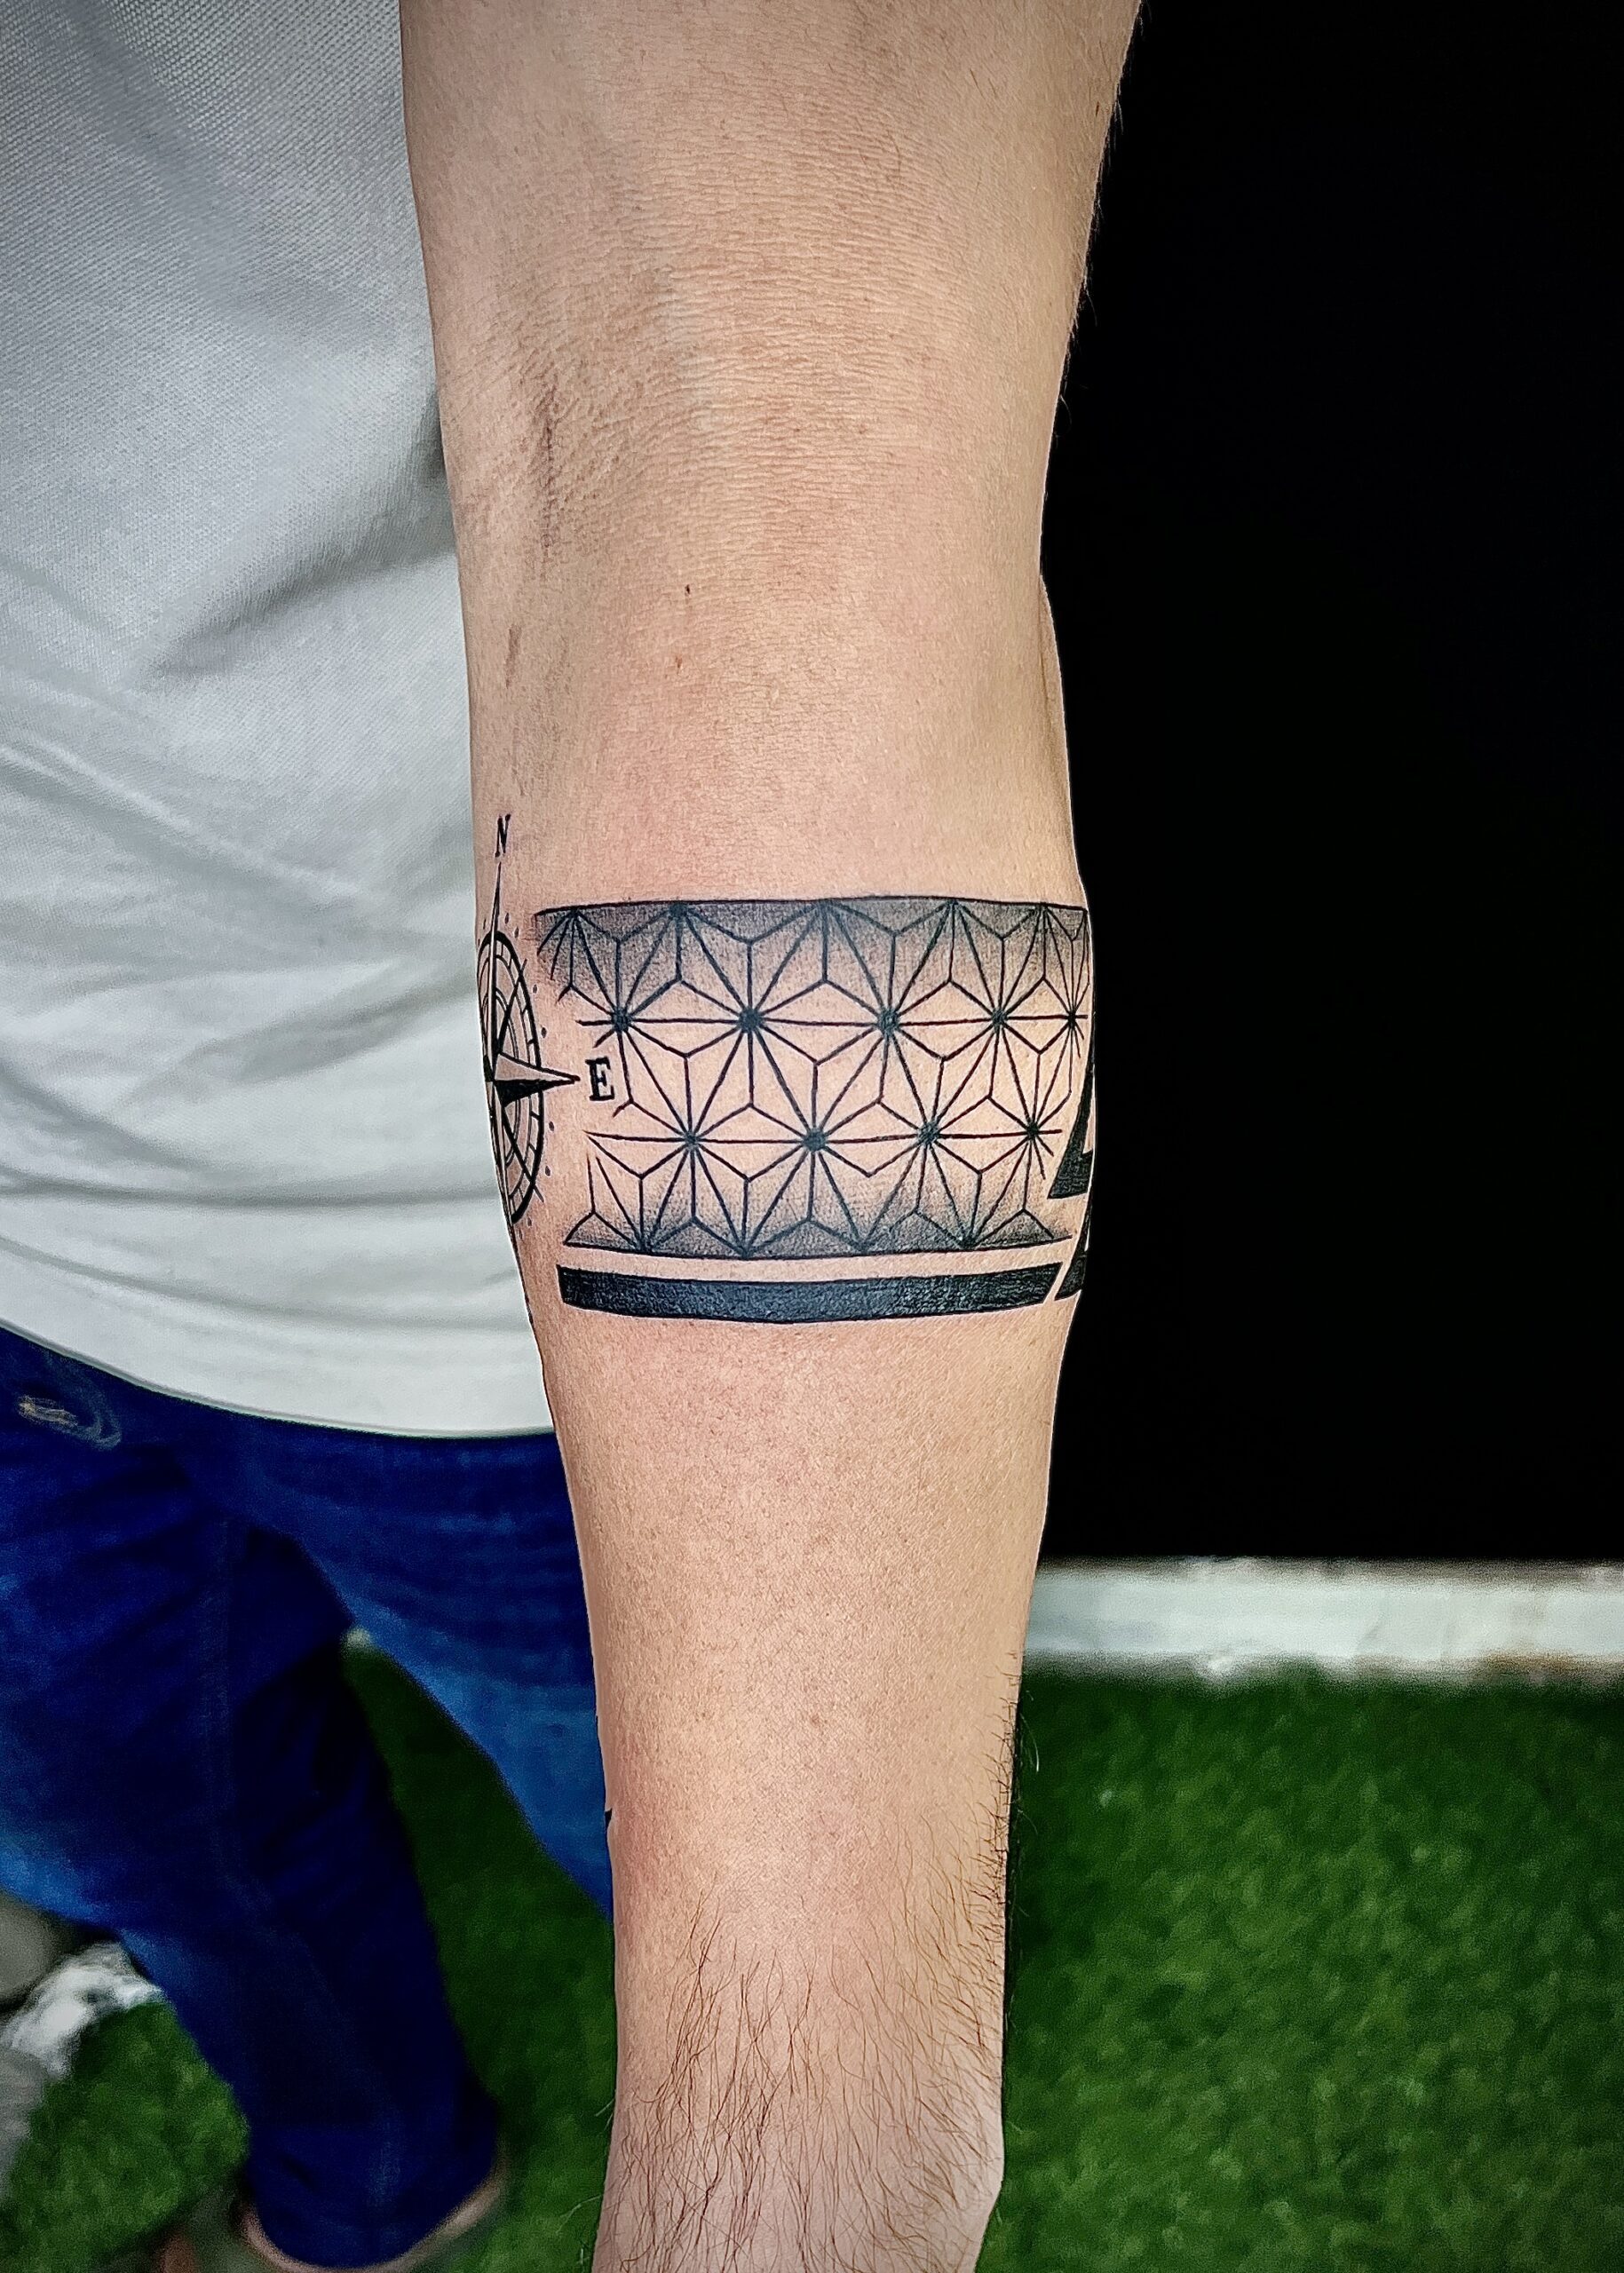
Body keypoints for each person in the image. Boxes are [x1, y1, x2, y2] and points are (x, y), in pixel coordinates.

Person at [0, 4, 1135, 2268]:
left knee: (657, 1844)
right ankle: (373, 2183)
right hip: (34, 1234)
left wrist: (798, 2194)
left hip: (455, 1300)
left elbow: (780, 483)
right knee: (151, 1829)